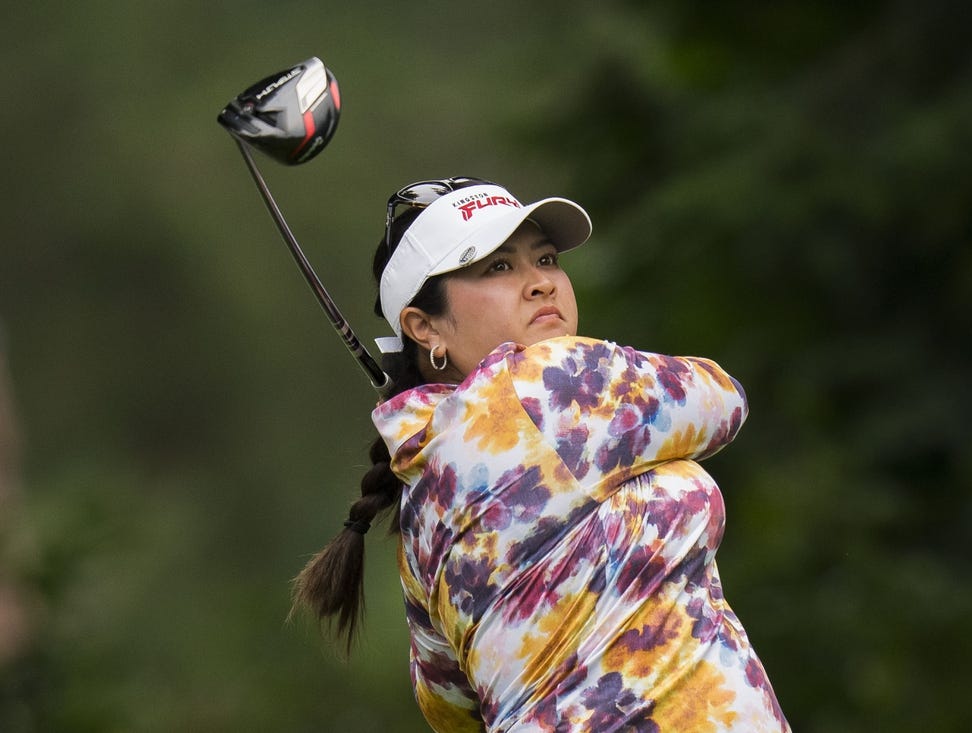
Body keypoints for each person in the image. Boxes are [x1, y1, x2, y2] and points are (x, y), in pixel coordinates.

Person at [292, 177, 790, 732]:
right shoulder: (545, 381)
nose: (539, 284)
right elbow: (722, 398)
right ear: (423, 326)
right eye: (498, 268)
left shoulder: (418, 503)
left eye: (546, 259)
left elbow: (449, 707)